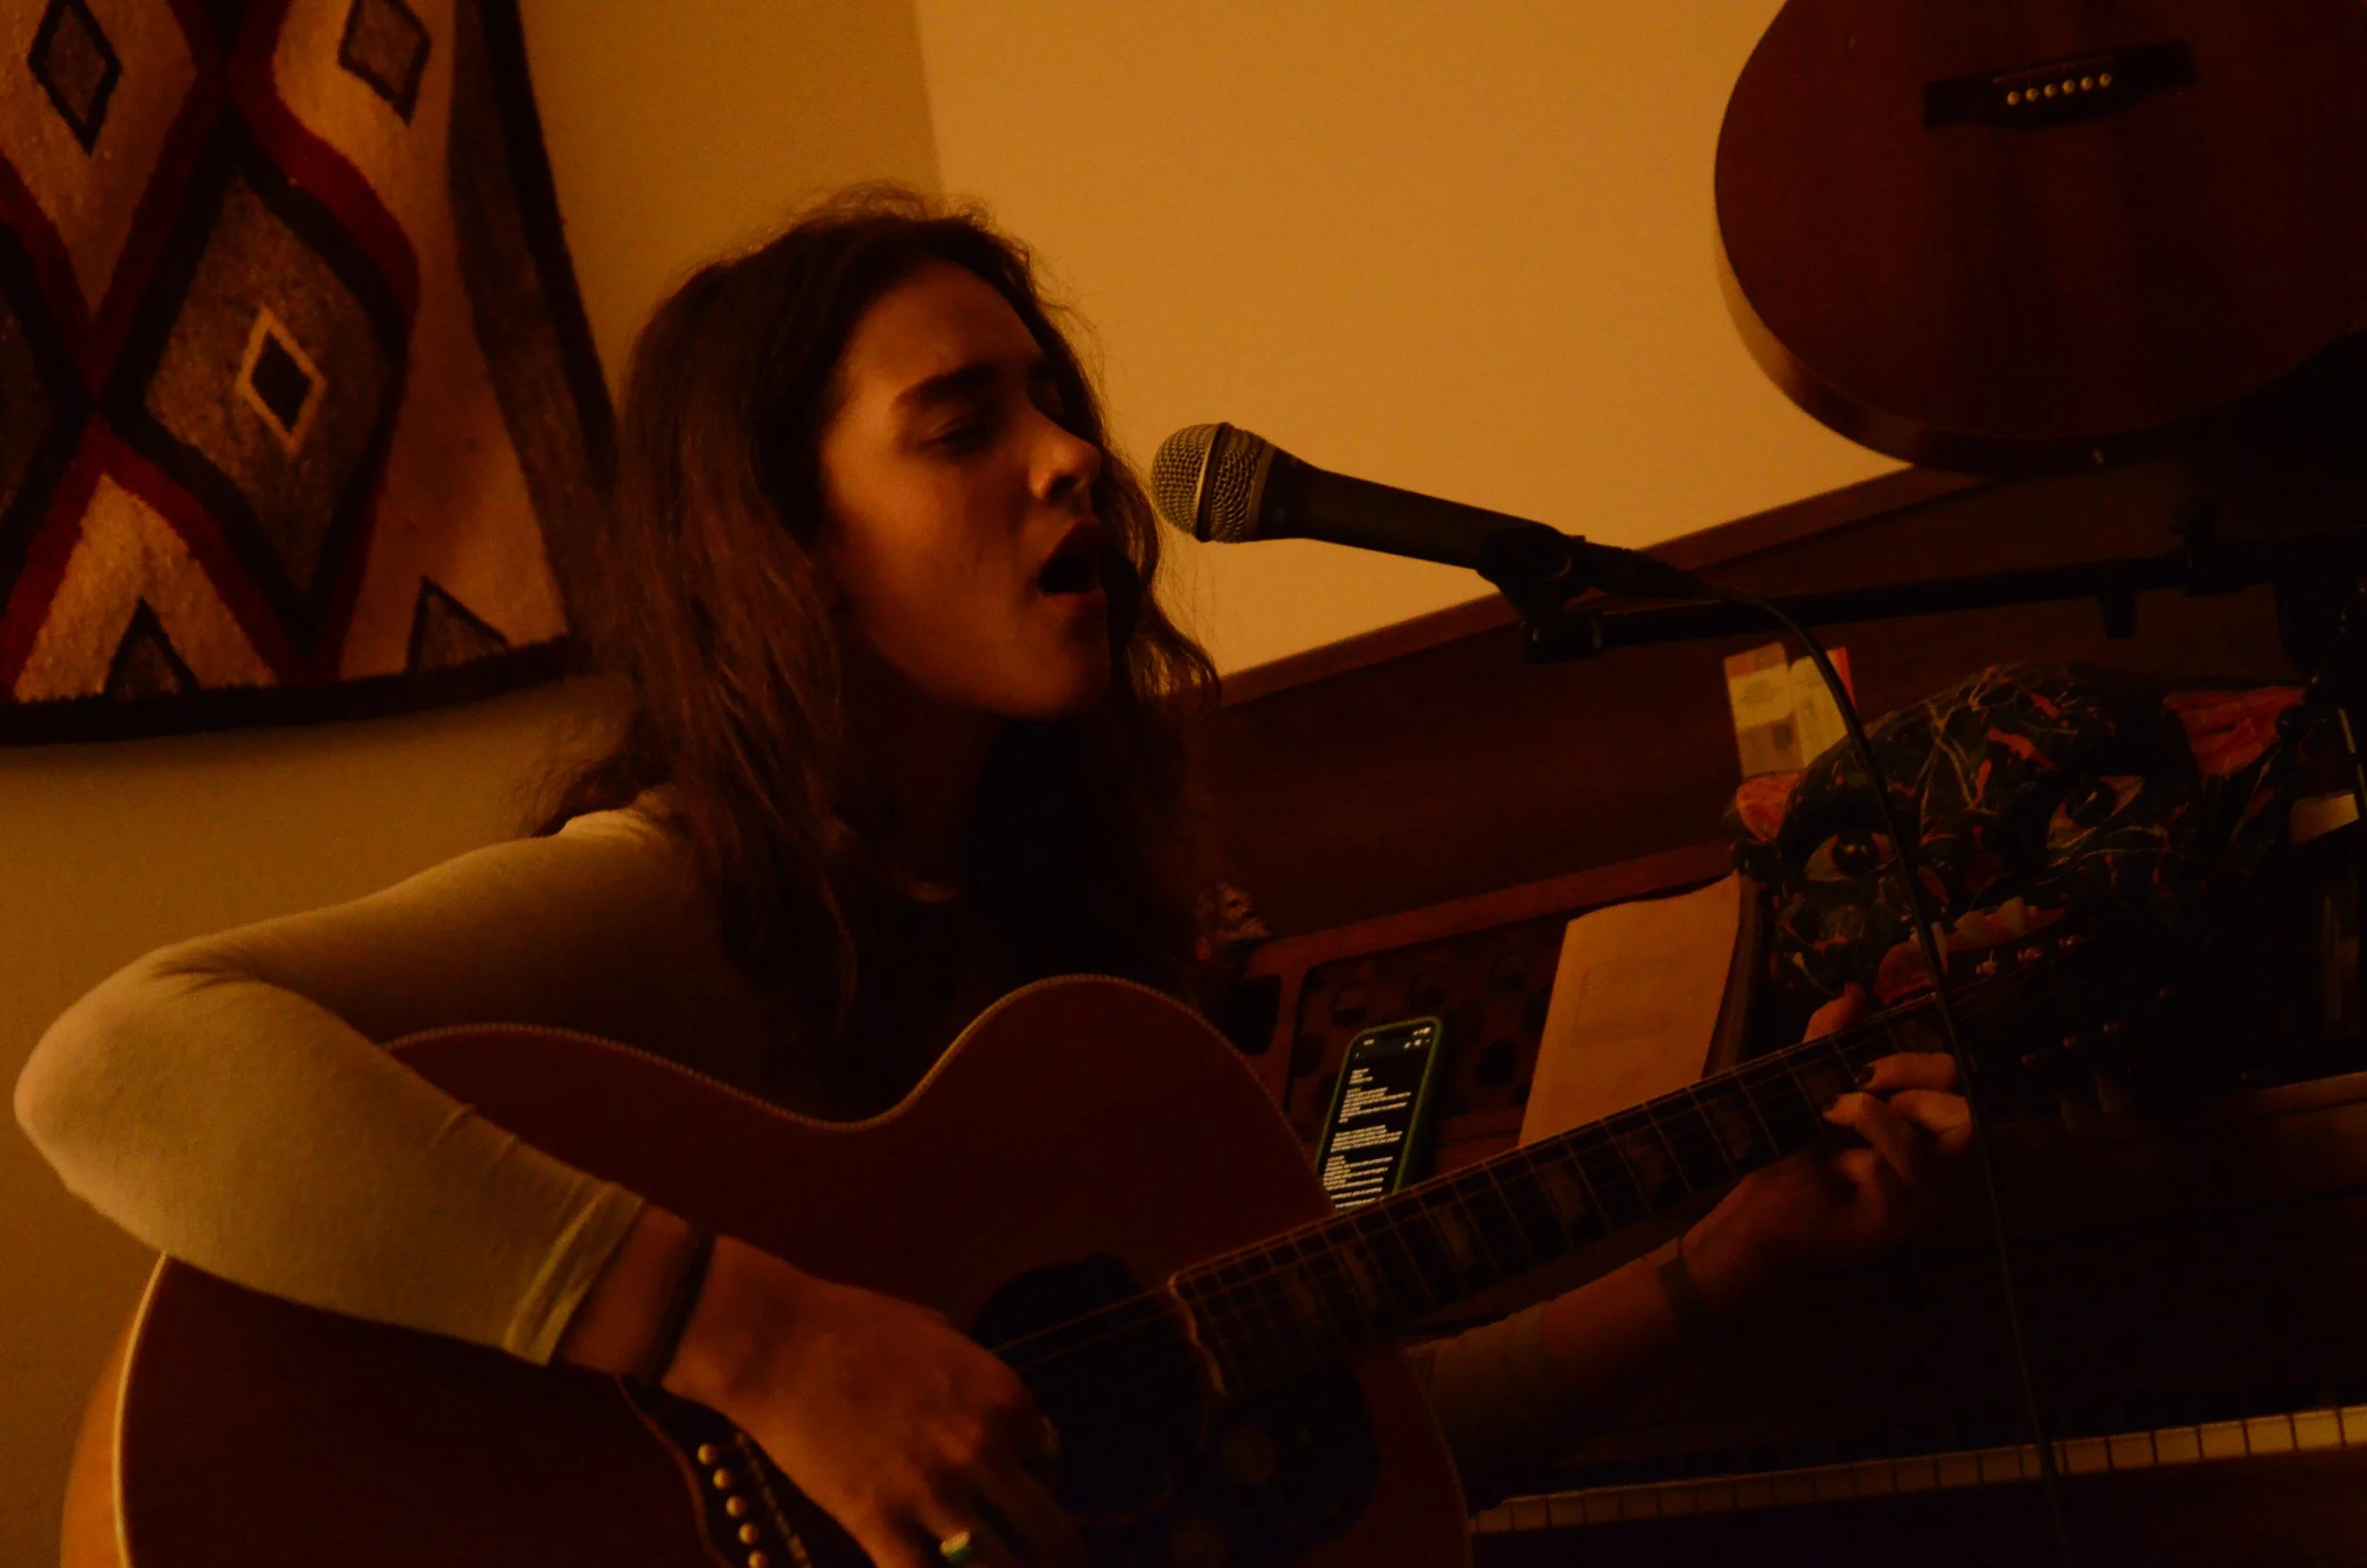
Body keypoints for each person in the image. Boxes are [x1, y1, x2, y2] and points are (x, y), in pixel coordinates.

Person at [15, 188, 1970, 1568]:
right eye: (962, 426)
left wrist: (1712, 1271)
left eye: (1057, 407)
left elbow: (1308, 1454)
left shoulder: (1064, 999)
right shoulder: (678, 900)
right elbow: (114, 1062)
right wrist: (762, 1344)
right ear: (789, 548)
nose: (1070, 463)